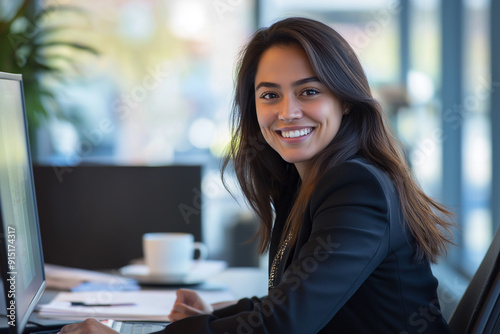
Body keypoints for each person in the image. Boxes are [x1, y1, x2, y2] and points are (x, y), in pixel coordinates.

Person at [60, 17, 454, 334]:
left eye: (309, 92)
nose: (287, 112)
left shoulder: (356, 186)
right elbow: (290, 298)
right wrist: (212, 315)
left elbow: (286, 323)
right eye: (270, 95)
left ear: (346, 101)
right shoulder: (302, 182)